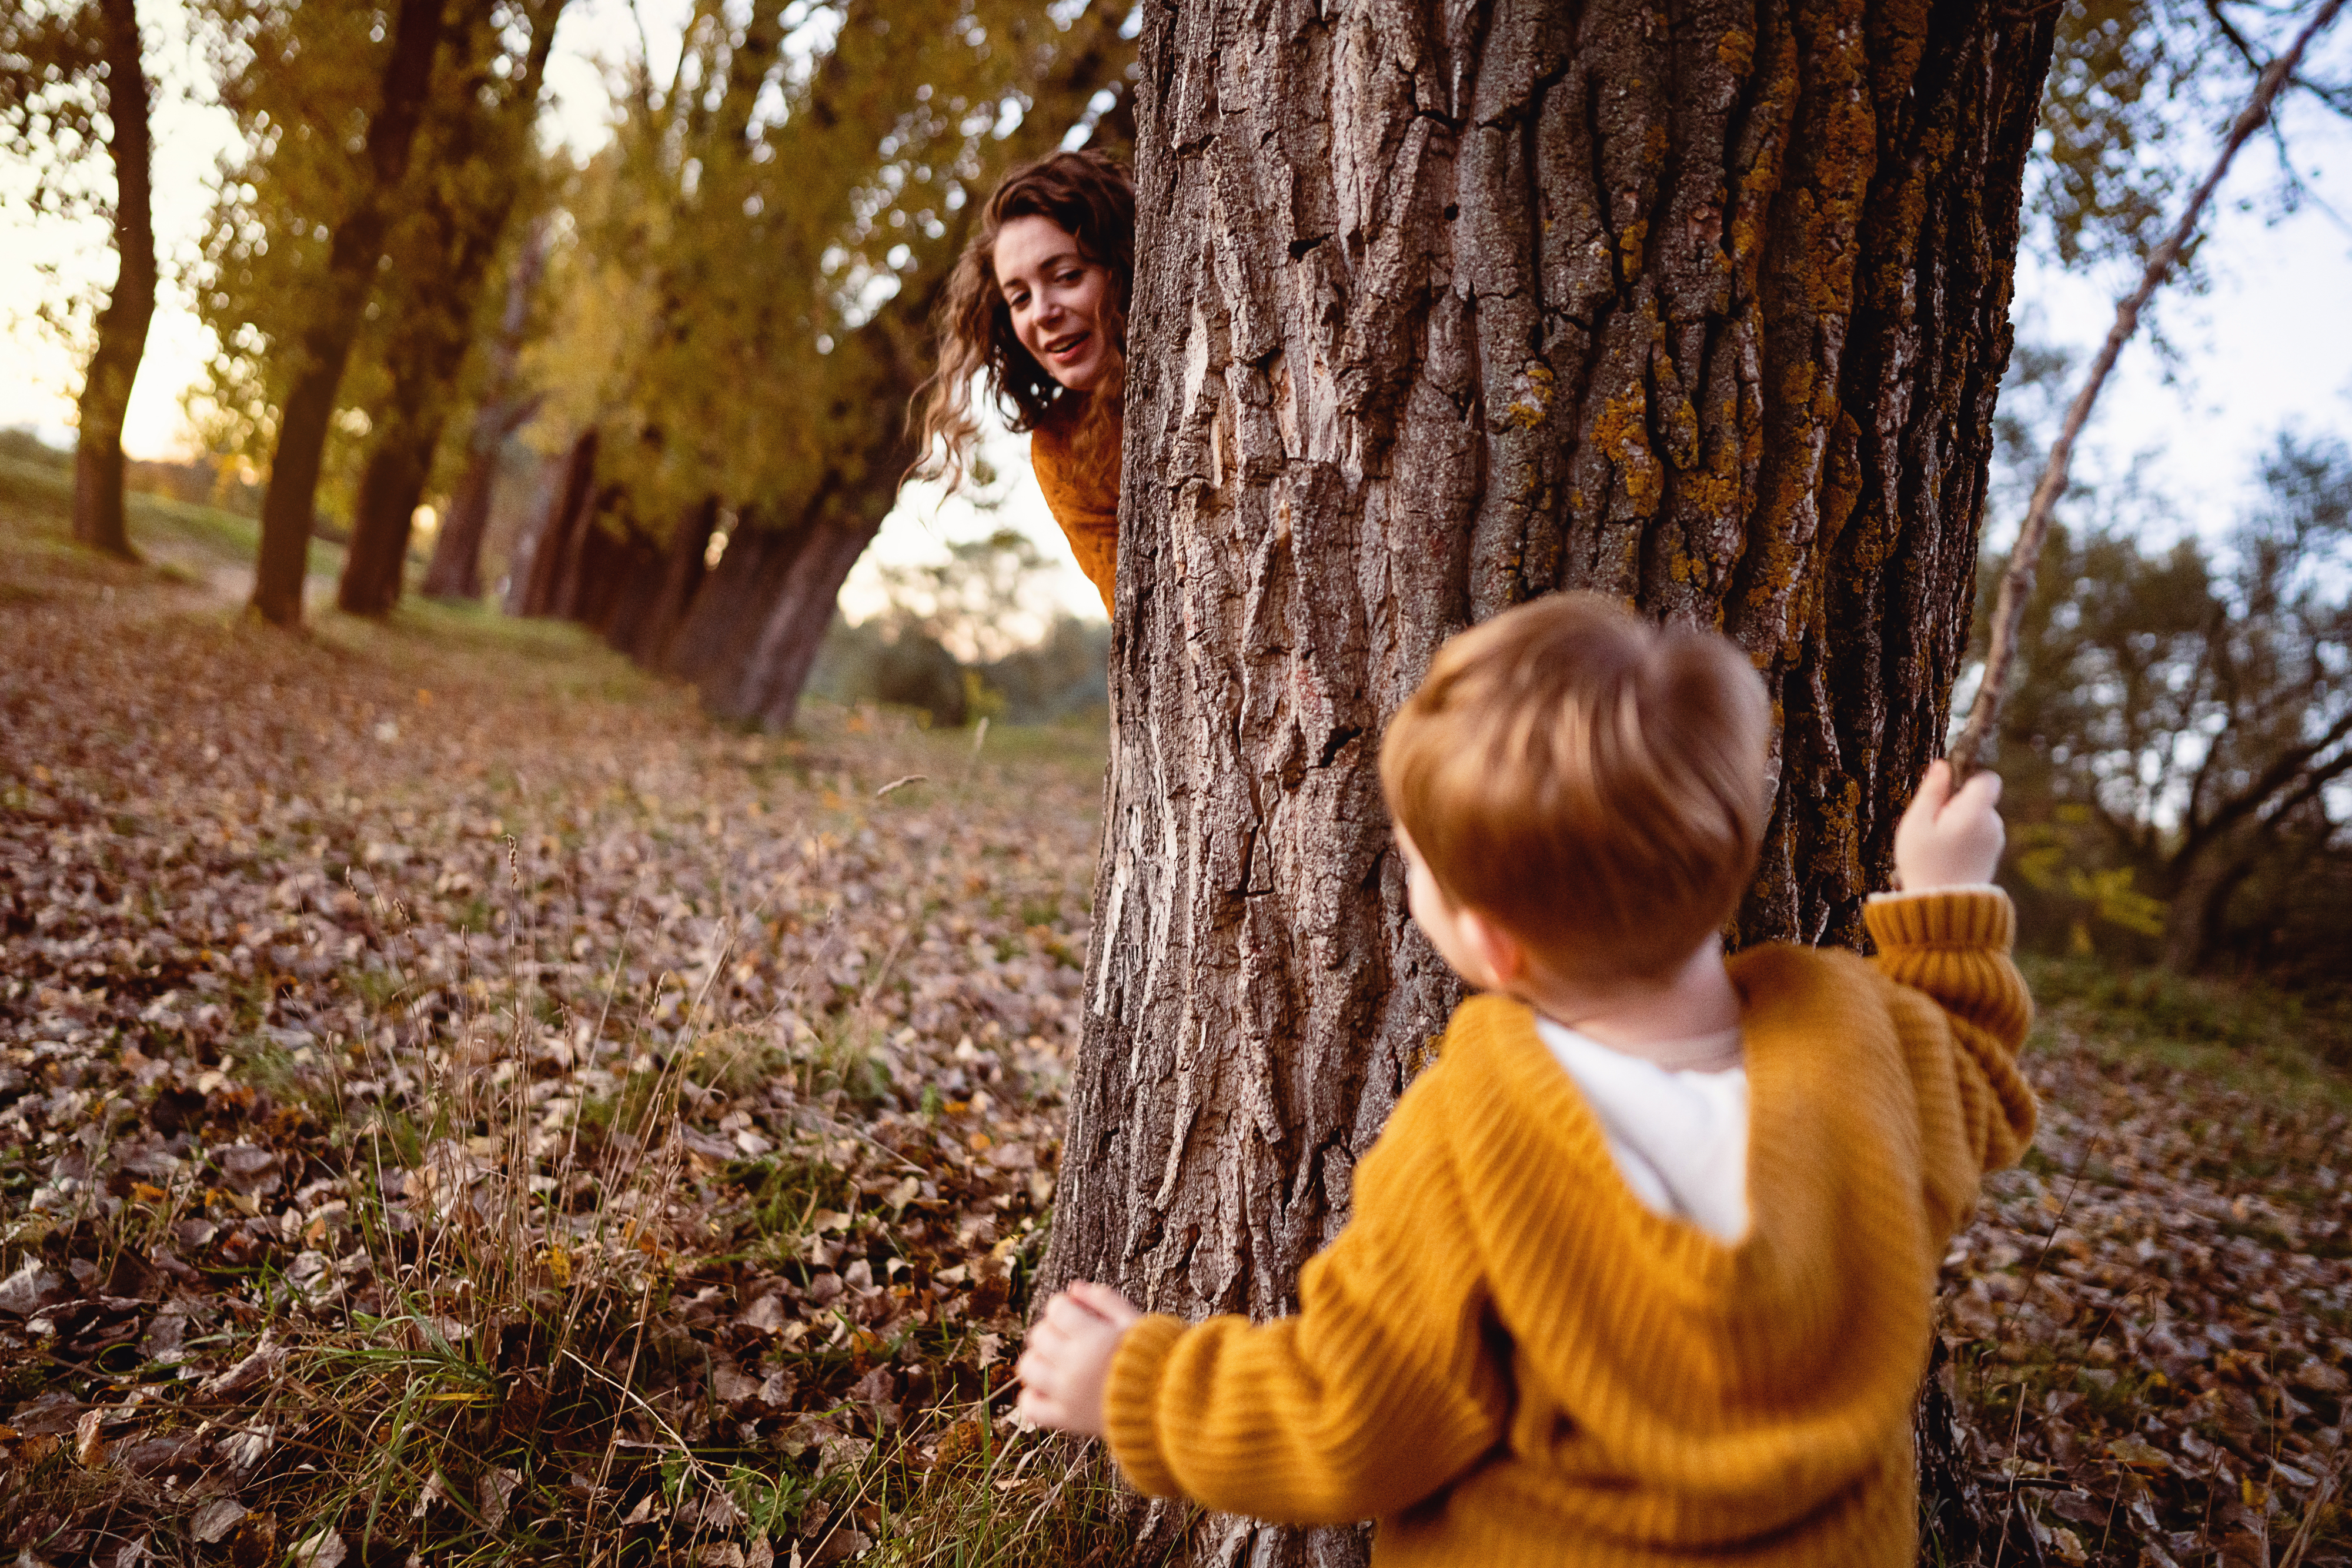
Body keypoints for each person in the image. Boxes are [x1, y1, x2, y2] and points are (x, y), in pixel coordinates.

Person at [1016, 591, 2037, 1566]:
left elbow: (1355, 1415)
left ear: (1493, 948)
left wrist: (1136, 1387)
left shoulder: (1475, 1137)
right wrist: (1947, 899)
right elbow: (1972, 1081)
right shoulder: (1859, 1040)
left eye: (1416, 863)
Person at [911, 150, 1133, 614]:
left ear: (1126, 263)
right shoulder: (1061, 446)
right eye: (1019, 297)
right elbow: (1146, 618)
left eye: (1067, 276)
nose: (1043, 313)